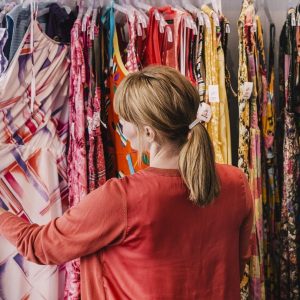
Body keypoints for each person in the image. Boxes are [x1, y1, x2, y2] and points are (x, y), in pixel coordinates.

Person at [0, 66, 253, 299]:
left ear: (148, 132)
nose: (120, 127)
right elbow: (238, 264)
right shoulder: (236, 183)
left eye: (123, 121)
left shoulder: (122, 199)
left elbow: (41, 246)